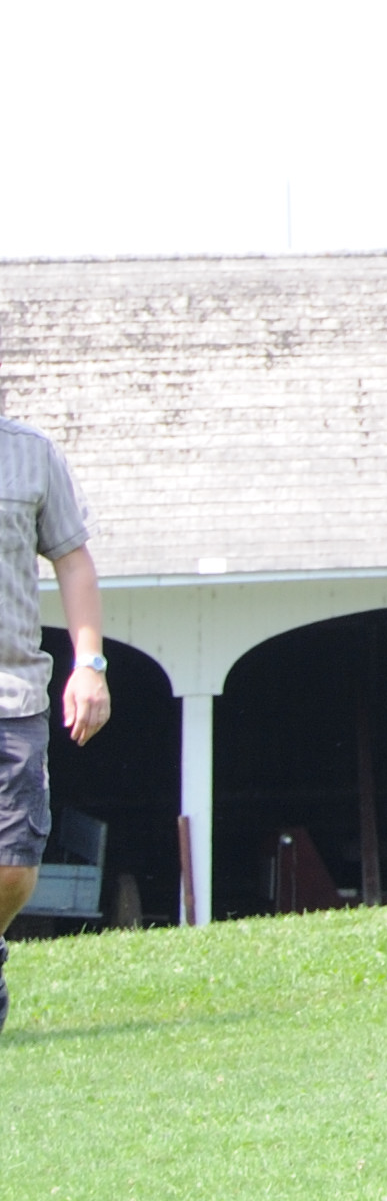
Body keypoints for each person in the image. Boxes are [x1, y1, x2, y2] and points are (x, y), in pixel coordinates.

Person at [0, 403, 108, 1033]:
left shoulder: (32, 453)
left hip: (12, 694)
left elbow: (73, 561)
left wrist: (89, 665)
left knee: (14, 864)